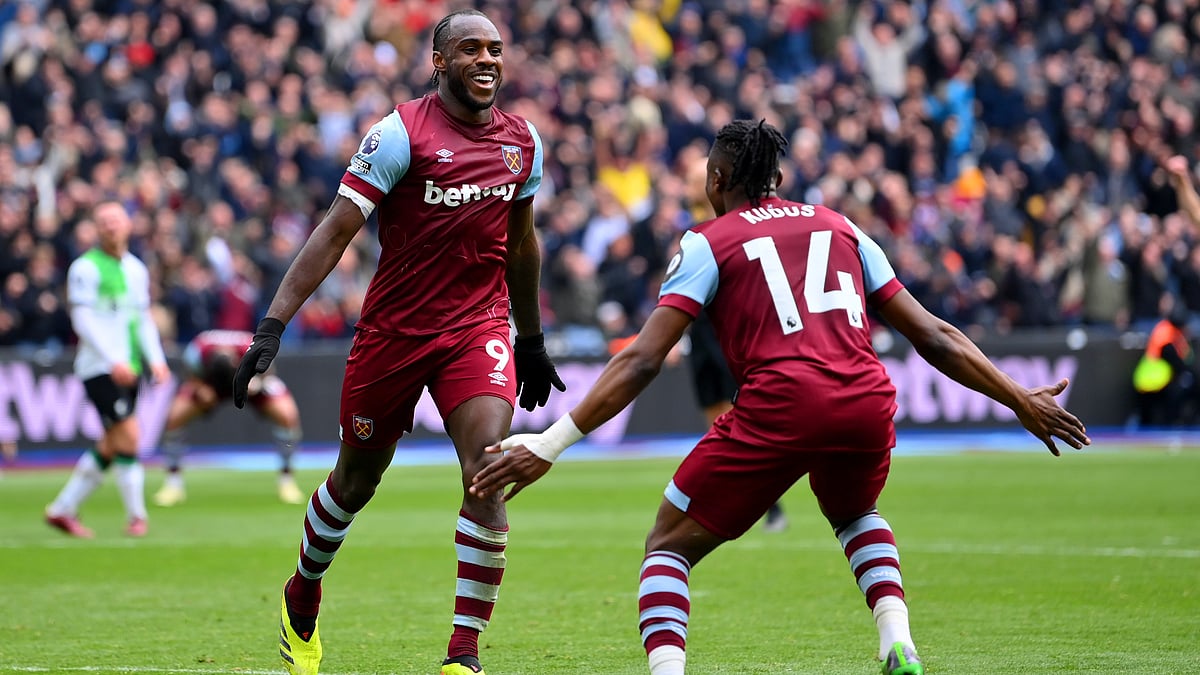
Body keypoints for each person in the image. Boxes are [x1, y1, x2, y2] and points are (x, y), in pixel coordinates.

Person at [470, 120, 1091, 675]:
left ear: (716, 179)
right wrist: (1019, 399)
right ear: (780, 177)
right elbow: (934, 334)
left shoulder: (707, 241)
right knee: (854, 513)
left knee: (668, 546)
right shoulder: (842, 227)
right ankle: (898, 644)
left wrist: (550, 444)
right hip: (866, 398)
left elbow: (641, 359)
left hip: (782, 402)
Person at [231, 10, 565, 675]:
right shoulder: (397, 135)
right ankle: (303, 592)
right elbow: (334, 232)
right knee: (356, 482)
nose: (488, 60)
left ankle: (462, 657)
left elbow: (522, 242)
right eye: (470, 49)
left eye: (496, 49)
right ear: (439, 61)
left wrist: (530, 337)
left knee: (488, 470)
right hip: (394, 334)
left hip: (477, 329)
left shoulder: (522, 141)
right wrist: (272, 324)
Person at [45, 200, 171, 538]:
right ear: (96, 229)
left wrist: (156, 359)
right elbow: (82, 320)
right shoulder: (85, 268)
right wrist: (111, 359)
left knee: (112, 442)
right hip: (99, 367)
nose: (110, 226)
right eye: (103, 221)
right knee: (129, 434)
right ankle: (137, 517)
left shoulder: (136, 269)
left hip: (128, 367)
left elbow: (142, 319)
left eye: (115, 220)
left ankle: (61, 509)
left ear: (128, 225)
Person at [683, 157, 788, 533]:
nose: (688, 185)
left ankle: (768, 504)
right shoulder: (688, 224)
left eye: (694, 178)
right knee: (715, 421)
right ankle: (746, 500)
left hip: (724, 331)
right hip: (699, 331)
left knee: (737, 418)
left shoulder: (727, 222)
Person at [153, 329, 305, 507]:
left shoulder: (251, 349)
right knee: (174, 419)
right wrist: (200, 388)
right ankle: (173, 484)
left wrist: (258, 382)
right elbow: (190, 375)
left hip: (247, 380)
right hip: (209, 383)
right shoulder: (197, 351)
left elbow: (270, 372)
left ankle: (287, 481)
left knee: (287, 416)